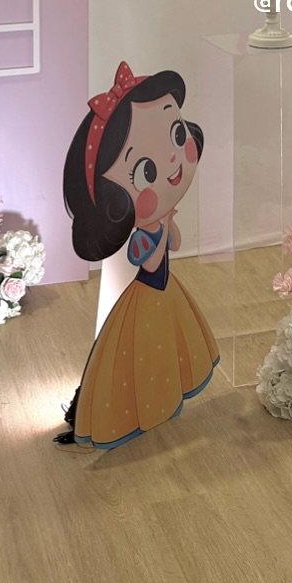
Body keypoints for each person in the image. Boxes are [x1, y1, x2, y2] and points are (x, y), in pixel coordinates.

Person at [56, 62, 218, 448]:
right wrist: (159, 227)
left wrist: (166, 220)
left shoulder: (158, 223)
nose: (173, 162)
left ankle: (162, 398)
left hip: (164, 292)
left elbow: (175, 243)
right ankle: (137, 409)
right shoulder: (144, 238)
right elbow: (151, 260)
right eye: (146, 172)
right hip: (148, 296)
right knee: (140, 354)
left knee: (162, 349)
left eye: (177, 133)